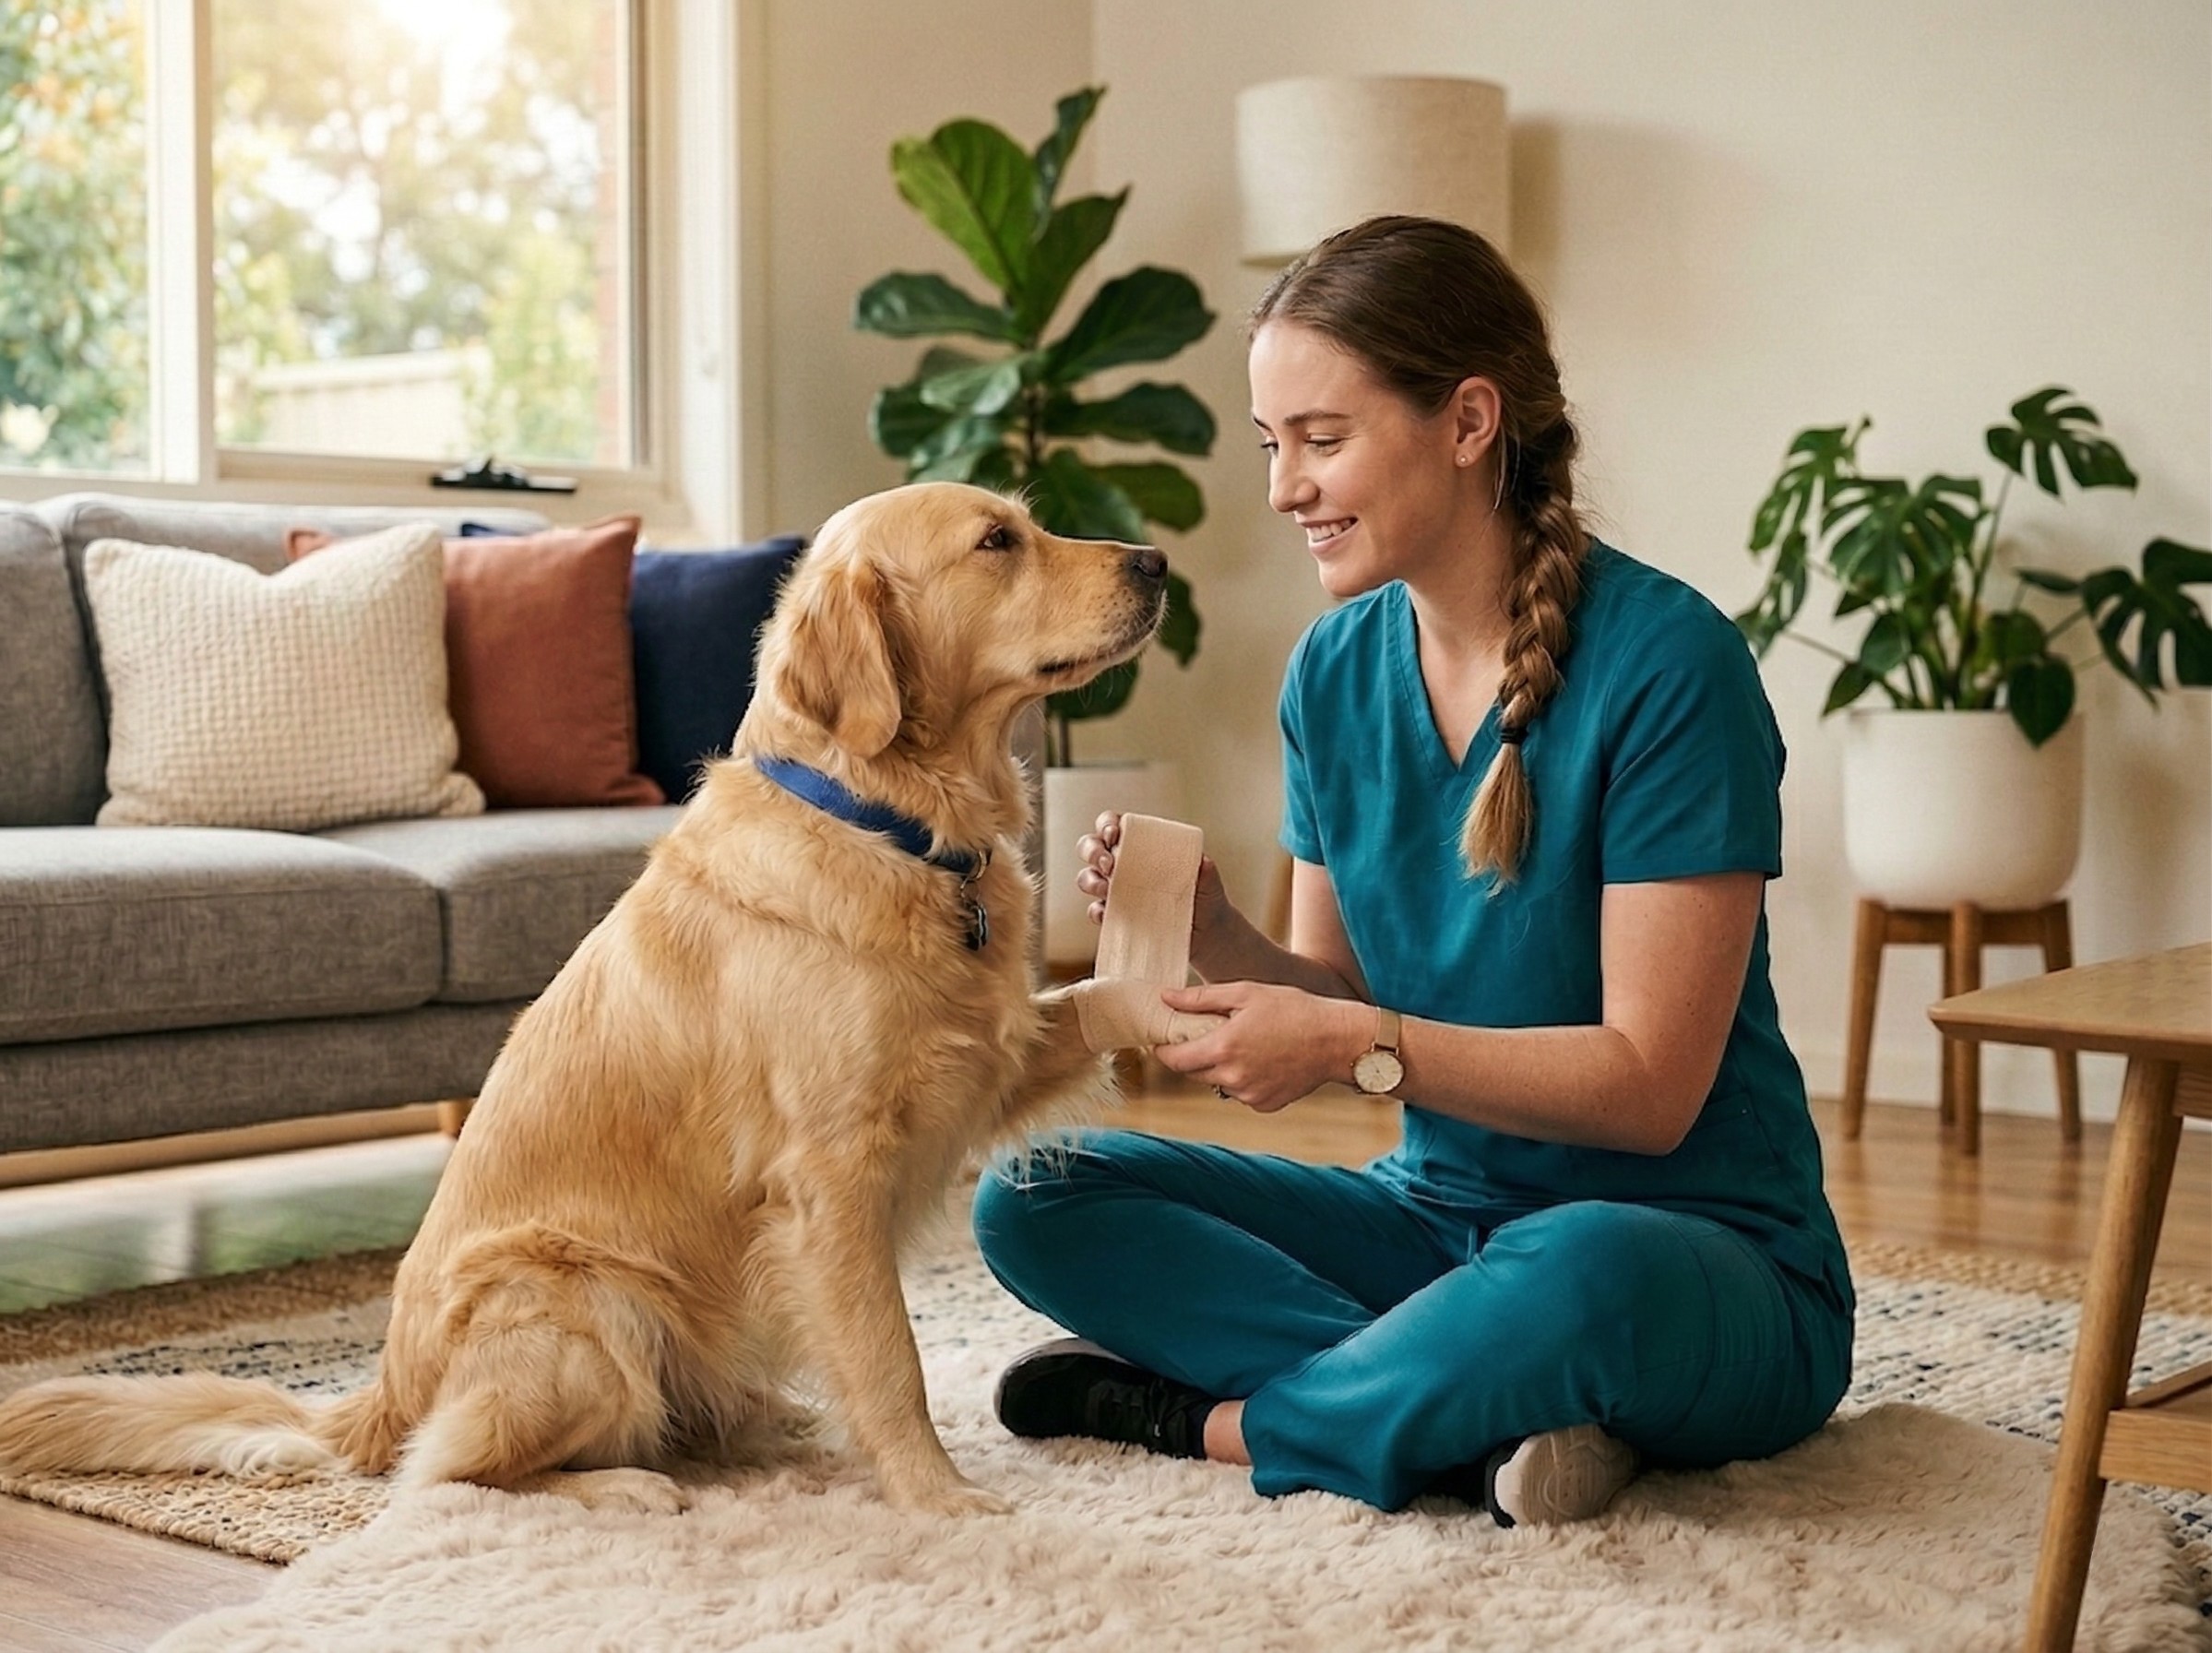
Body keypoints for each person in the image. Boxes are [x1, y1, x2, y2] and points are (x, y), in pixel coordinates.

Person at [971, 214, 1853, 1527]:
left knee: (1578, 1268)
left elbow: (1650, 1089)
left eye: (1322, 440)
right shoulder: (1332, 673)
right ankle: (1472, 1408)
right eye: (1273, 446)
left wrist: (1346, 1046)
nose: (1282, 490)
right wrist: (1216, 932)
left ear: (1467, 420)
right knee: (1034, 1192)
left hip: (1694, 1259)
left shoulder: (1672, 668)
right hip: (1435, 1227)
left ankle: (1215, 1420)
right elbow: (1331, 982)